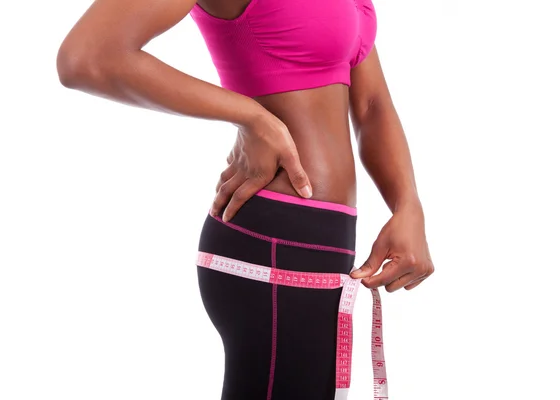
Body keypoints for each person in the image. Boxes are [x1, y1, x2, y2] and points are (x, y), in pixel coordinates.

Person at [56, 0, 435, 398]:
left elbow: (371, 105)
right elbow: (87, 56)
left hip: (323, 245)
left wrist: (408, 204)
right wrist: (251, 116)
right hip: (270, 242)